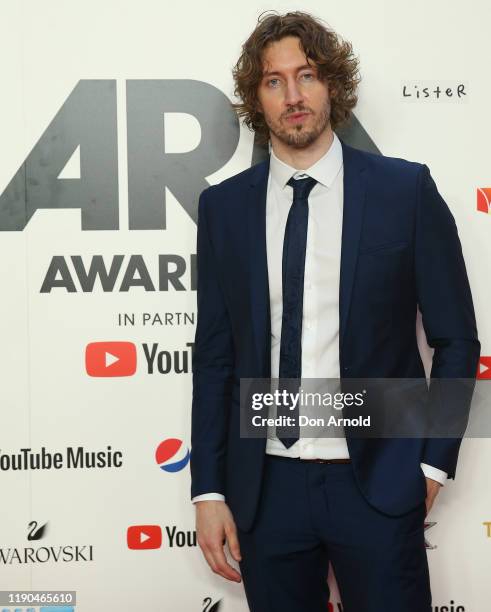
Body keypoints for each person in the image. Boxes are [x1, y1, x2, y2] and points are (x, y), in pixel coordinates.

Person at [190, 10, 480, 612]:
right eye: (274, 81)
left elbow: (457, 340)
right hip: (265, 488)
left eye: (308, 75)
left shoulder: (405, 192)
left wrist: (432, 463)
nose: (293, 96)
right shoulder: (224, 210)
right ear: (256, 97)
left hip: (375, 480)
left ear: (334, 85)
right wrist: (209, 489)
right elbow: (215, 357)